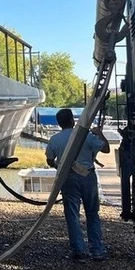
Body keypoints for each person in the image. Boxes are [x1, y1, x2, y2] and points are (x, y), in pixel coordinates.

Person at [45, 108, 110, 262]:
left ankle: (79, 251)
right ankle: (97, 250)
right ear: (73, 120)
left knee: (72, 215)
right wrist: (99, 133)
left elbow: (49, 159)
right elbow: (106, 149)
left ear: (59, 123)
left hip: (67, 178)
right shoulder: (86, 136)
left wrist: (59, 167)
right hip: (88, 176)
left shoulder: (55, 139)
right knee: (92, 213)